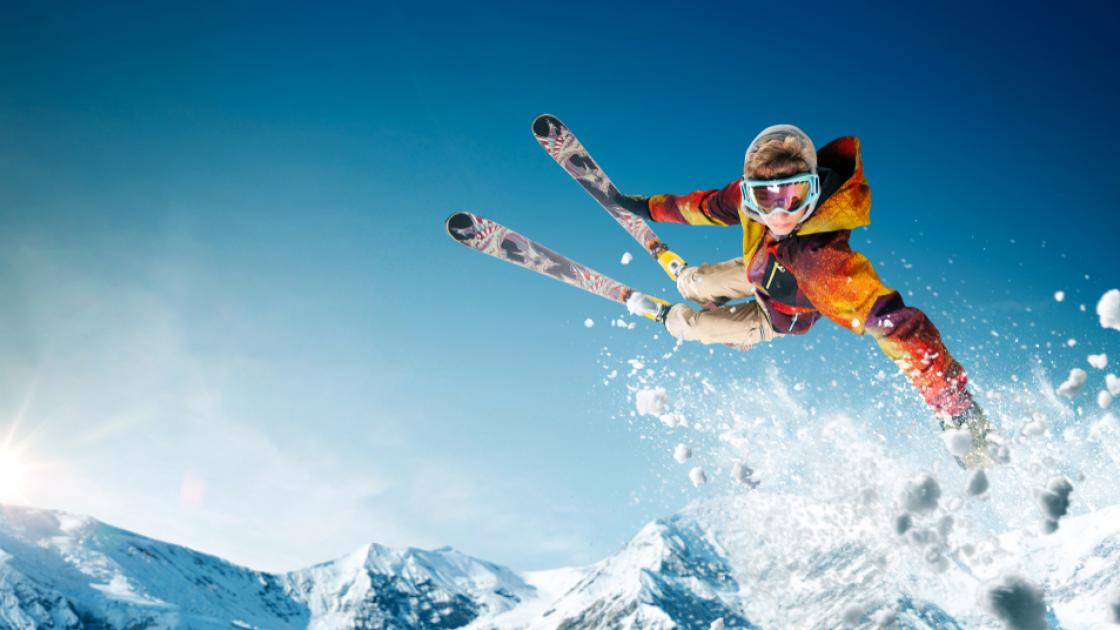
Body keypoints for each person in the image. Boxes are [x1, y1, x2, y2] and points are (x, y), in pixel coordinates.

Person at [619, 124, 997, 468]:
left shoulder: (822, 263)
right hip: (760, 270)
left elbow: (898, 327)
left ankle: (669, 316)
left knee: (693, 327)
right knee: (696, 283)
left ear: (814, 189)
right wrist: (647, 207)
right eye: (766, 199)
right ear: (749, 195)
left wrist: (955, 409)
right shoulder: (747, 202)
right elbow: (702, 207)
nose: (780, 212)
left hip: (778, 315)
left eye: (794, 195)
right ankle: (686, 280)